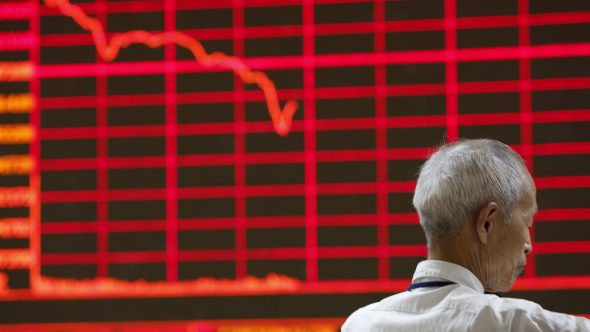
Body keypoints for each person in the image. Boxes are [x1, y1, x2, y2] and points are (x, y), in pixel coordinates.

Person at [342, 139, 590, 331]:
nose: (529, 244)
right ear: (486, 224)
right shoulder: (517, 325)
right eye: (527, 220)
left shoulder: (359, 324)